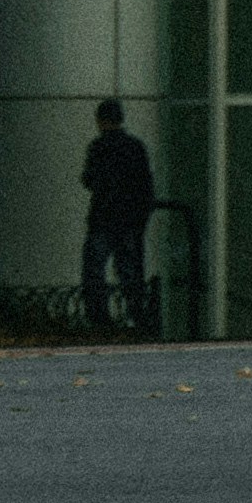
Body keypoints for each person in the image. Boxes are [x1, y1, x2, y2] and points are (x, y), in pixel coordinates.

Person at [80, 98, 157, 333]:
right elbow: (146, 184)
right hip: (129, 219)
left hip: (103, 218)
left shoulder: (99, 147)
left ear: (101, 121)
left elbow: (89, 179)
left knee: (95, 269)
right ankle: (136, 316)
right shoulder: (134, 147)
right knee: (129, 271)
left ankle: (99, 318)